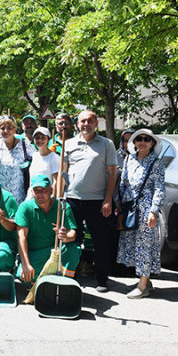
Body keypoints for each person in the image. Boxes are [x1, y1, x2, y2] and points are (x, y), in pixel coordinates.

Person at [60, 110, 118, 292]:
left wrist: (108, 199)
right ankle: (71, 274)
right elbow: (63, 172)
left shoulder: (106, 144)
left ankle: (101, 279)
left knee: (100, 240)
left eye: (90, 121)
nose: (86, 124)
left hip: (97, 201)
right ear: (77, 124)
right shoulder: (68, 144)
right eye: (82, 121)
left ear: (96, 124)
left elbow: (112, 173)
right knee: (72, 239)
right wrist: (59, 198)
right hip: (72, 199)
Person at [117, 129, 166, 298]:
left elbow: (159, 188)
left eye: (146, 139)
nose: (142, 142)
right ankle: (145, 279)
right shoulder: (129, 159)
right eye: (139, 139)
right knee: (133, 245)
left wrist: (153, 210)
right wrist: (120, 203)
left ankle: (143, 286)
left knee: (144, 246)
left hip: (146, 209)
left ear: (152, 143)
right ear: (134, 142)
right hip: (130, 208)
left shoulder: (156, 163)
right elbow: (123, 182)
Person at [16, 175, 80, 285]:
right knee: (24, 277)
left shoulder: (62, 207)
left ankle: (65, 282)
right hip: (34, 253)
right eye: (36, 190)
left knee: (73, 248)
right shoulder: (25, 207)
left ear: (51, 190)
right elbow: (22, 238)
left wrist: (65, 236)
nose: (39, 194)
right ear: (32, 192)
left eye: (43, 190)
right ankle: (42, 281)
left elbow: (72, 234)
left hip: (55, 250)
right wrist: (26, 264)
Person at [0, 115, 27, 202]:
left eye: (9, 128)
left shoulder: (25, 145)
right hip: (0, 195)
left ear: (15, 129)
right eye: (2, 128)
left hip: (19, 195)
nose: (6, 131)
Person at [27, 127, 60, 200]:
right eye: (37, 138)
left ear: (48, 140)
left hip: (46, 198)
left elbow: (56, 181)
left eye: (43, 137)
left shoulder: (54, 157)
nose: (40, 140)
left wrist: (53, 199)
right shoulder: (34, 155)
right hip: (32, 196)